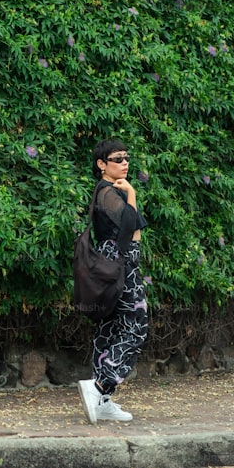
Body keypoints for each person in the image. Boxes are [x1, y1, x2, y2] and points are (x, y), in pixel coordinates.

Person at [78, 138, 149, 422]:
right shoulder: (108, 191)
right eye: (117, 159)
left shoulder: (110, 190)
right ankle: (99, 386)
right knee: (136, 325)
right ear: (101, 164)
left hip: (116, 261)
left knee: (110, 327)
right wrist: (131, 193)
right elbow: (130, 225)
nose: (125, 163)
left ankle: (103, 402)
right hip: (120, 263)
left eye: (126, 158)